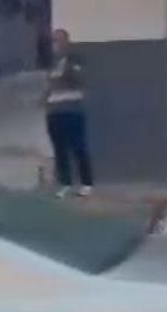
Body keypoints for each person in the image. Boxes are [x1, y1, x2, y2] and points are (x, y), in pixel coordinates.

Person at [44, 29, 94, 198]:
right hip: (54, 111)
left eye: (58, 41)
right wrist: (44, 100)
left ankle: (87, 183)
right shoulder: (53, 63)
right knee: (59, 149)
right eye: (53, 41)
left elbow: (79, 79)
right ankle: (65, 183)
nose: (55, 45)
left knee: (78, 147)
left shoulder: (75, 59)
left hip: (72, 110)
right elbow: (50, 85)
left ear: (67, 42)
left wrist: (68, 67)